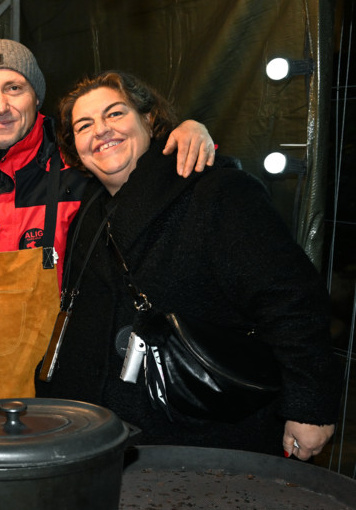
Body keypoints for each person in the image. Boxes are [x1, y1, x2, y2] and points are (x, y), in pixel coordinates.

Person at [36, 69, 337, 459]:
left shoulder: (216, 191)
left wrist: (310, 406)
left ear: (149, 119)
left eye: (115, 114)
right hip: (99, 436)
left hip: (201, 436)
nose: (101, 131)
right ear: (73, 149)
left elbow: (291, 300)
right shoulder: (88, 216)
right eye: (84, 125)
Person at [0, 39, 216, 407]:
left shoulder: (80, 164)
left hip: (59, 386)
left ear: (37, 97)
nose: (0, 107)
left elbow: (135, 164)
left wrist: (182, 133)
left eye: (14, 88)